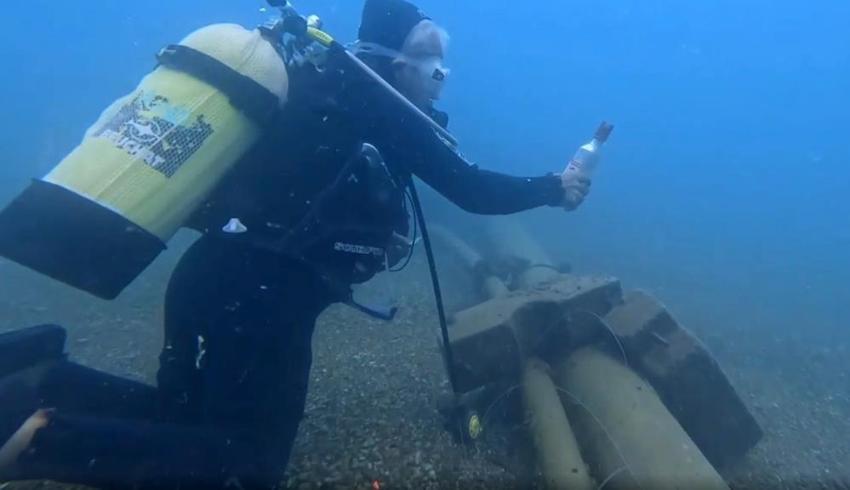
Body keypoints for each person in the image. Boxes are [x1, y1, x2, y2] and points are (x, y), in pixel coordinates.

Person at [0, 0, 591, 488]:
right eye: (431, 62)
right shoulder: (381, 106)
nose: (440, 77)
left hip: (207, 275)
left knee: (186, 414)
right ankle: (36, 443)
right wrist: (554, 187)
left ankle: (43, 378)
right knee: (249, 464)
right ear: (394, 61)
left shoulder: (308, 84)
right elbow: (471, 187)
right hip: (264, 298)